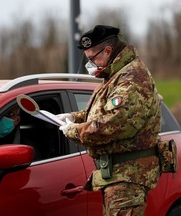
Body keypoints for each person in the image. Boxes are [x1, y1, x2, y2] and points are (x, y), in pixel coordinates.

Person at [58, 25, 161, 216]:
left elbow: (114, 125)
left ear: (108, 50)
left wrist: (74, 130)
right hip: (117, 176)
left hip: (128, 177)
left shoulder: (131, 78)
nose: (90, 64)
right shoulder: (115, 75)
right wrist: (75, 116)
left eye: (92, 58)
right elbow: (105, 111)